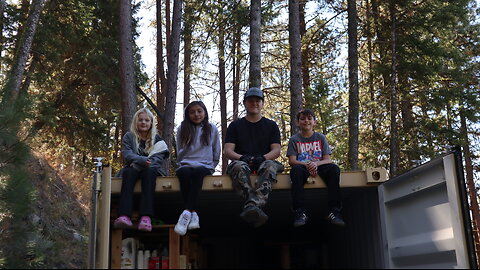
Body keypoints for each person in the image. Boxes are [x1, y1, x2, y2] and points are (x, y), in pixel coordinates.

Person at [224, 87, 284, 228]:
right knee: (238, 166)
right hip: (242, 163)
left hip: (264, 162)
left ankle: (252, 205)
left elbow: (276, 150)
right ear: (245, 103)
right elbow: (228, 151)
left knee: (269, 165)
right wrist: (241, 157)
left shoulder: (271, 125)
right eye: (251, 101)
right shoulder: (235, 125)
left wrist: (263, 158)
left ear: (262, 103)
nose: (254, 103)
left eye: (258, 101)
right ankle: (255, 204)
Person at [114, 108, 169, 232]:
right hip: (132, 169)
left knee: (150, 173)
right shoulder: (129, 137)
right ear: (135, 122)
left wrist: (143, 163)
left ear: (151, 123)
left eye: (146, 120)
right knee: (128, 172)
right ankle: (124, 215)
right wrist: (142, 161)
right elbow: (127, 154)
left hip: (151, 169)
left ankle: (146, 217)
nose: (143, 122)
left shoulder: (157, 139)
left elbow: (159, 157)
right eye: (140, 120)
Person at [287, 109, 345, 227]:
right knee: (295, 171)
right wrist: (308, 165)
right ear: (298, 122)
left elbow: (328, 159)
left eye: (309, 118)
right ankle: (299, 211)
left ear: (314, 122)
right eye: (302, 119)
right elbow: (292, 161)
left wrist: (315, 164)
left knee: (334, 169)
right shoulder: (294, 139)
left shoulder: (320, 137)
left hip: (320, 165)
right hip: (302, 167)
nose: (306, 121)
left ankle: (334, 210)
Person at [174, 101, 221, 236]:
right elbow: (179, 150)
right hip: (186, 164)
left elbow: (216, 150)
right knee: (184, 173)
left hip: (205, 165)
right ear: (187, 114)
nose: (196, 114)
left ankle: (186, 213)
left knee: (199, 172)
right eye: (192, 112)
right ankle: (192, 213)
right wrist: (183, 159)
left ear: (205, 112)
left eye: (199, 111)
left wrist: (212, 166)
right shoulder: (182, 128)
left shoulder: (211, 129)